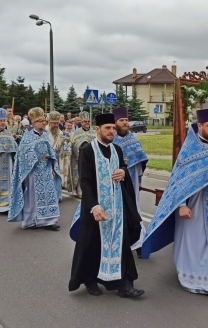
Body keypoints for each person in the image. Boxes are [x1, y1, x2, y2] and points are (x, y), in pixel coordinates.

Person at [141, 106, 208, 297]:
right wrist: (182, 205)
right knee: (196, 244)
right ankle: (197, 278)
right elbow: (178, 183)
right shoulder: (189, 150)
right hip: (194, 206)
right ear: (200, 125)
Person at [68, 113, 144, 298]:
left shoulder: (117, 149)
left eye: (112, 128)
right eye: (107, 128)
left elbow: (123, 169)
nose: (111, 131)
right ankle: (90, 280)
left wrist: (123, 172)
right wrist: (94, 206)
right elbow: (84, 182)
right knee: (92, 247)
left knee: (122, 246)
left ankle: (125, 285)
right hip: (96, 209)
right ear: (98, 129)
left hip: (118, 210)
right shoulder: (87, 151)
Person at [8, 107, 61, 230]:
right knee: (33, 197)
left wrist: (53, 167)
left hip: (46, 169)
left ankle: (49, 221)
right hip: (32, 172)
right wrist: (24, 174)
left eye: (44, 120)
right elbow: (22, 156)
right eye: (41, 120)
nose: (44, 123)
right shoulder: (27, 137)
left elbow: (51, 153)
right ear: (33, 123)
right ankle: (31, 221)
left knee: (49, 195)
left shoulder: (45, 135)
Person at [112, 107, 148, 258]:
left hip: (132, 182)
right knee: (119, 213)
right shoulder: (111, 140)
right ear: (115, 123)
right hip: (116, 184)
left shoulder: (133, 139)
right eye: (122, 120)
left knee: (135, 211)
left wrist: (139, 180)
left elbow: (140, 163)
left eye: (126, 120)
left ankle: (139, 243)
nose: (125, 123)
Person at [67, 111, 95, 198]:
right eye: (85, 121)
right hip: (80, 157)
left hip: (91, 157)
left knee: (90, 173)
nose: (87, 123)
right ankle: (79, 190)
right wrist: (77, 155)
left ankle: (90, 189)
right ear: (81, 122)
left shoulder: (93, 131)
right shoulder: (77, 132)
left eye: (88, 121)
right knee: (81, 173)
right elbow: (74, 143)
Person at [59, 121, 74, 190]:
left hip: (71, 155)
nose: (69, 127)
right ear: (65, 125)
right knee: (63, 170)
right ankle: (62, 183)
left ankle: (69, 185)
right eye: (68, 125)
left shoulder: (73, 134)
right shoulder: (61, 134)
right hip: (63, 155)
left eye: (70, 126)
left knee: (70, 170)